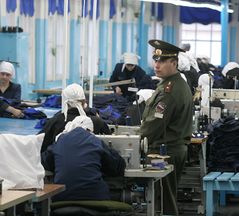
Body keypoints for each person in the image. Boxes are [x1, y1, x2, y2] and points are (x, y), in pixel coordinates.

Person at [139, 39, 193, 215]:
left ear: (174, 63)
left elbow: (155, 123)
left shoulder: (170, 90)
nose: (157, 65)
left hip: (164, 152)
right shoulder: (173, 84)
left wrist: (136, 138)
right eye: (156, 60)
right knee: (164, 197)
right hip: (170, 148)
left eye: (162, 61)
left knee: (163, 200)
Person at [41, 116, 126, 201]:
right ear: (90, 130)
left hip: (63, 196)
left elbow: (45, 161)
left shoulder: (60, 142)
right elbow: (117, 166)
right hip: (95, 197)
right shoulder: (95, 141)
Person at [40, 83, 110, 152]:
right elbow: (110, 141)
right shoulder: (96, 121)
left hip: (60, 161)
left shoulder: (55, 121)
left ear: (65, 102)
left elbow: (41, 145)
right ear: (84, 101)